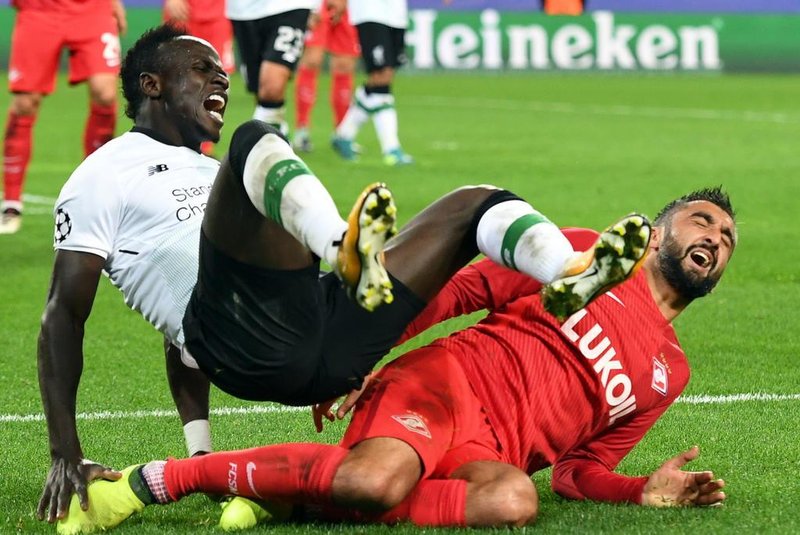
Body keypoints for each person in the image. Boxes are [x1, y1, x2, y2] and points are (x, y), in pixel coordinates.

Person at [37, 23, 648, 527]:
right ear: (151, 84)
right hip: (238, 341)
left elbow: (184, 323)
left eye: (221, 69)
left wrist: (204, 451)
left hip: (321, 340)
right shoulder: (103, 173)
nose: (221, 77)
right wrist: (66, 453)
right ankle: (344, 251)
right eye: (201, 69)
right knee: (256, 139)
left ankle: (567, 272)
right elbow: (64, 317)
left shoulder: (212, 177)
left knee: (473, 202)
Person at [53, 187, 734, 533]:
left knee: (513, 499)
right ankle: (158, 479)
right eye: (702, 221)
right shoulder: (579, 251)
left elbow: (579, 473)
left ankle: (286, 493)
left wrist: (640, 487)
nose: (715, 237)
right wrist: (363, 348)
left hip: (495, 450)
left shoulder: (668, 374)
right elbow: (461, 287)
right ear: (660, 230)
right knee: (374, 484)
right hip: (447, 384)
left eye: (726, 237)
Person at [0, 0, 127, 235]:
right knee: (25, 103)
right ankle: (11, 202)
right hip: (40, 10)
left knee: (106, 93)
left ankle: (96, 191)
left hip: (92, 9)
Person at [331, 0, 413, 165]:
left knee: (382, 78)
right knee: (382, 76)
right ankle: (391, 148)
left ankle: (344, 135)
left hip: (396, 14)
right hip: (370, 11)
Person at [225, 0, 316, 136]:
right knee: (261, 93)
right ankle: (278, 139)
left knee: (271, 88)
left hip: (291, 7)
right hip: (242, 11)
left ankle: (256, 142)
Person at [162, 0, 235, 155]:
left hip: (219, 14)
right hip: (182, 11)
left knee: (217, 82)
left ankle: (204, 147)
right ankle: (175, 143)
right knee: (177, 78)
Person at [291, 0, 360, 153]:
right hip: (319, 4)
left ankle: (342, 132)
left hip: (350, 5)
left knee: (345, 65)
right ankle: (302, 129)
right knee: (312, 60)